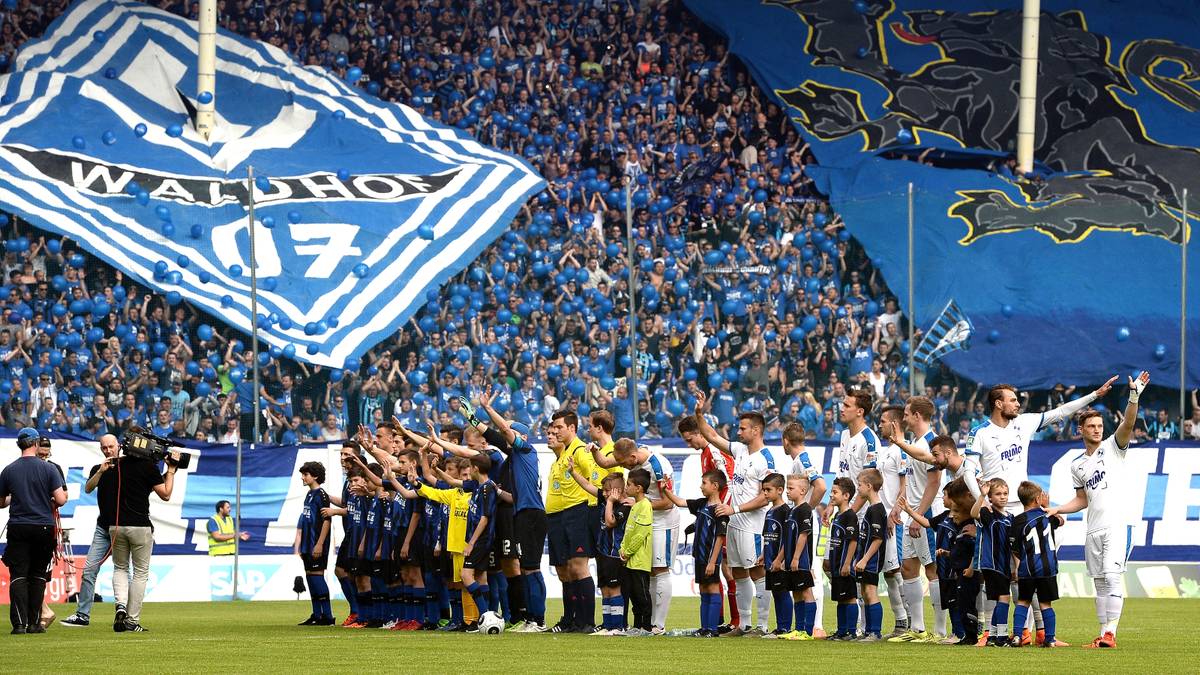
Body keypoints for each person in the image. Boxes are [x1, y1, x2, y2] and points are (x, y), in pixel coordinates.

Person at [968, 377, 1116, 646]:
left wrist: (1094, 394)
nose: (1018, 403)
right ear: (998, 403)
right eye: (1012, 400)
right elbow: (968, 469)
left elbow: (1061, 412)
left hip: (1023, 511)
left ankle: (1037, 633)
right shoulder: (980, 433)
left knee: (1029, 572)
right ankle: (992, 632)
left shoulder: (1023, 423)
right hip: (997, 512)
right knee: (998, 575)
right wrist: (984, 499)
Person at [1048, 371, 1148, 649]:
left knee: (1113, 577)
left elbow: (1128, 422)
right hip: (1094, 528)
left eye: (1099, 425)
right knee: (1101, 582)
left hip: (1118, 524)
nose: (1096, 429)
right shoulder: (1076, 464)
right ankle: (1102, 634)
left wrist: (1133, 395)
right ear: (1080, 430)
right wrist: (1056, 509)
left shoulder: (1113, 447)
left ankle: (1110, 635)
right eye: (1090, 426)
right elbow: (1082, 500)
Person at [694, 393, 777, 637]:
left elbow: (766, 496)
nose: (738, 433)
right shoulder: (740, 450)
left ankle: (761, 626)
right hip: (734, 523)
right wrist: (699, 413)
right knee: (738, 572)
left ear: (756, 430)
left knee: (757, 572)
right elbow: (711, 435)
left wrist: (736, 509)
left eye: (743, 429)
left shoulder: (766, 459)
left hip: (752, 525)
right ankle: (744, 625)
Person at [476, 391, 548, 632]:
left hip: (532, 514)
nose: (507, 433)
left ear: (522, 436)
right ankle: (530, 618)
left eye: (511, 430)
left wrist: (487, 408)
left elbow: (503, 432)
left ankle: (538, 620)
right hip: (523, 512)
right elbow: (494, 435)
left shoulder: (526, 450)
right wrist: (473, 420)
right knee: (527, 567)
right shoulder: (515, 458)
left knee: (531, 567)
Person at [99, 429, 179, 632]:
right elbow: (166, 494)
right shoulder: (148, 467)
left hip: (116, 526)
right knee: (140, 573)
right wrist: (170, 471)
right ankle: (132, 621)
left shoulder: (114, 466)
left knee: (120, 568)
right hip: (140, 526)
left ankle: (120, 607)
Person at [605, 438, 680, 633]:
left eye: (623, 463)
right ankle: (650, 623)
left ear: (632, 456)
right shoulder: (637, 458)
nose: (622, 467)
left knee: (660, 569)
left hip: (663, 522)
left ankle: (658, 624)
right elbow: (606, 462)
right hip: (646, 521)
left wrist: (641, 504)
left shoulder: (658, 466)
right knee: (651, 573)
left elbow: (669, 502)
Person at [886, 396, 944, 643]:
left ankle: (940, 631)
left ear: (918, 416)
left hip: (927, 514)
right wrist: (901, 505)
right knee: (909, 567)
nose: (905, 418)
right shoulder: (914, 443)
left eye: (908, 414)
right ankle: (917, 629)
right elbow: (911, 479)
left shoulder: (932, 443)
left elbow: (934, 483)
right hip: (913, 512)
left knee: (932, 569)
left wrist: (917, 516)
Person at [0, 428, 68, 634]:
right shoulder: (49, 469)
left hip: (19, 525)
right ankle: (34, 623)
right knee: (38, 575)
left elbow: (1, 502)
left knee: (18, 575)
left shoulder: (9, 470)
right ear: (36, 443)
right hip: (43, 526)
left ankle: (19, 624)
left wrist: (16, 497)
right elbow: (61, 499)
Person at [678, 414, 740, 630]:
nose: (689, 444)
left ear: (699, 433)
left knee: (728, 568)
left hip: (725, 516)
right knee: (724, 568)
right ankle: (720, 620)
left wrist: (720, 513)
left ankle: (736, 621)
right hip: (716, 515)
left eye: (689, 439)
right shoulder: (705, 453)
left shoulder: (713, 451)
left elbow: (729, 483)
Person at [544, 409, 598, 632]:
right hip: (564, 514)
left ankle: (588, 621)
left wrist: (595, 508)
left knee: (579, 567)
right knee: (568, 569)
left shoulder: (580, 450)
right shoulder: (565, 454)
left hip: (579, 512)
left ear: (572, 428)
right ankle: (574, 620)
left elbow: (593, 476)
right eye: (553, 428)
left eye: (559, 428)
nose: (555, 432)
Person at [63, 433, 121, 628]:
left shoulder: (127, 468)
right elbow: (88, 489)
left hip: (122, 527)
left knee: (123, 571)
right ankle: (82, 615)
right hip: (103, 527)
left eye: (111, 446)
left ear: (118, 446)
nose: (108, 450)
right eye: (104, 447)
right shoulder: (99, 468)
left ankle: (127, 614)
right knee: (89, 570)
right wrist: (101, 472)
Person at [662, 470, 727, 638]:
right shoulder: (701, 504)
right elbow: (679, 502)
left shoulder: (720, 511)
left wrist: (713, 562)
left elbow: (720, 537)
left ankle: (712, 629)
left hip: (710, 557)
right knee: (703, 588)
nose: (701, 486)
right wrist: (665, 490)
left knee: (712, 588)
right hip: (699, 556)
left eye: (704, 483)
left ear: (715, 486)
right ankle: (704, 628)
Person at [780, 423, 826, 637]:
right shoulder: (799, 462)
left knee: (810, 573)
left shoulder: (803, 460)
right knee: (800, 576)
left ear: (786, 441)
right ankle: (803, 628)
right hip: (799, 523)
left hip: (806, 525)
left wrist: (807, 510)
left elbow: (821, 486)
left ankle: (815, 626)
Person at [1009, 481, 1065, 647]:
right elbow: (1061, 521)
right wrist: (1047, 507)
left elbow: (1015, 547)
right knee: (1045, 604)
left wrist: (1020, 564)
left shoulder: (1017, 521)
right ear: (1037, 500)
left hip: (1028, 568)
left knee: (1023, 602)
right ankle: (1050, 639)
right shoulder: (1047, 516)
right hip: (1048, 568)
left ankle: (1018, 636)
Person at [875, 406, 910, 638]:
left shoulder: (902, 451)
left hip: (896, 519)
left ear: (895, 424)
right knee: (889, 572)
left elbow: (905, 485)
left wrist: (894, 513)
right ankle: (900, 622)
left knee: (897, 570)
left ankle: (910, 622)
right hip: (884, 516)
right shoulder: (885, 451)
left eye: (883, 421)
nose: (879, 425)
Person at [971, 479, 1013, 646]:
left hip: (1004, 563)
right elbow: (974, 514)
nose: (1002, 497)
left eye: (1005, 493)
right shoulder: (989, 514)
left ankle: (993, 636)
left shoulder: (1010, 517)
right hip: (992, 563)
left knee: (1000, 599)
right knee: (1004, 598)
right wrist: (981, 496)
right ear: (990, 496)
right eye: (998, 494)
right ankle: (1001, 637)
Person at [295, 461, 333, 626]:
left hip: (317, 543)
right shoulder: (309, 495)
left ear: (315, 476)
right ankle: (317, 614)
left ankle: (328, 616)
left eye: (306, 474)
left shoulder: (321, 495)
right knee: (310, 578)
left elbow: (327, 521)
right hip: (307, 544)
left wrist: (319, 544)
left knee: (317, 577)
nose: (303, 478)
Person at [852, 468, 888, 641]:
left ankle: (875, 632)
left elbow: (878, 539)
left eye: (859, 485)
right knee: (866, 592)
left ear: (869, 486)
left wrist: (865, 560)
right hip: (865, 559)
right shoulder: (871, 508)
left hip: (871, 560)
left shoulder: (876, 510)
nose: (858, 489)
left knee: (871, 592)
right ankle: (869, 631)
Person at [619, 468, 654, 635]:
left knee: (642, 595)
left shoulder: (645, 506)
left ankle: (646, 627)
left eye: (629, 484)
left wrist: (628, 551)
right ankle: (636, 626)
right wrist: (622, 549)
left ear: (639, 488)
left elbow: (641, 534)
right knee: (633, 595)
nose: (626, 487)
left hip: (639, 560)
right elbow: (628, 531)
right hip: (630, 559)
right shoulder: (635, 505)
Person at [824, 476, 859, 641]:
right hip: (836, 564)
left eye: (835, 492)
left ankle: (851, 632)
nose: (831, 495)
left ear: (846, 496)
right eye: (831, 492)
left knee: (850, 596)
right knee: (840, 597)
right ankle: (841, 631)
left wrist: (847, 564)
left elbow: (852, 541)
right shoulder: (837, 515)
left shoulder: (850, 516)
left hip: (845, 565)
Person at [782, 475, 817, 639]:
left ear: (803, 491)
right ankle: (798, 629)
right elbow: (788, 537)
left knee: (806, 592)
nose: (787, 491)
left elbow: (803, 535)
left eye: (791, 488)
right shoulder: (791, 511)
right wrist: (781, 559)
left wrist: (796, 558)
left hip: (801, 560)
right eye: (787, 488)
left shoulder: (805, 509)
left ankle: (808, 631)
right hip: (790, 560)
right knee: (796, 592)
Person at [760, 473, 792, 637]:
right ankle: (780, 627)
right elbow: (767, 535)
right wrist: (763, 554)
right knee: (775, 592)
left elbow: (787, 539)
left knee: (782, 591)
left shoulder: (785, 511)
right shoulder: (769, 511)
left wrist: (780, 559)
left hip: (779, 562)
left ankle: (784, 627)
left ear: (780, 490)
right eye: (763, 490)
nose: (765, 493)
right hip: (770, 559)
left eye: (768, 490)